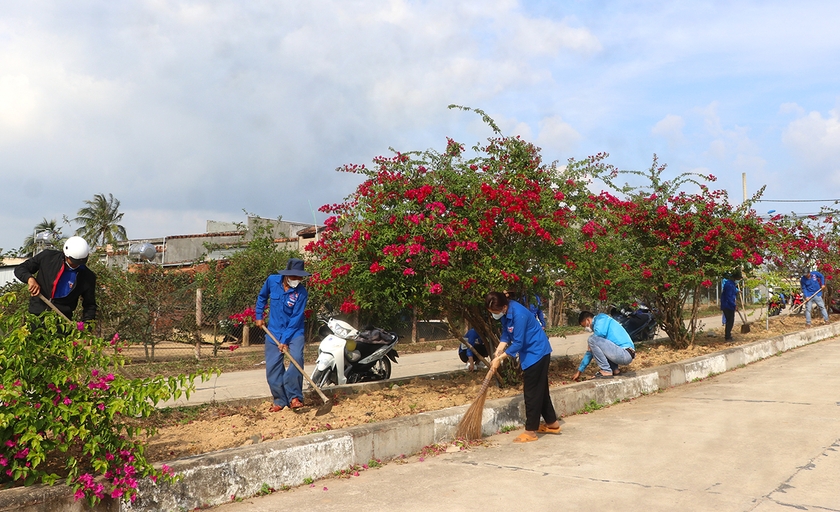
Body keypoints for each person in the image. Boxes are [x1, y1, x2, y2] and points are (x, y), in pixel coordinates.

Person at [486, 291, 561, 443]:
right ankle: (552, 424)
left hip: (537, 353)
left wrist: (500, 359)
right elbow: (507, 335)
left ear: (504, 306)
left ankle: (530, 431)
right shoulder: (507, 313)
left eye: (495, 312)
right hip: (531, 354)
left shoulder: (518, 313)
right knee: (541, 390)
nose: (495, 315)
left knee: (531, 393)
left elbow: (518, 342)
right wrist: (499, 350)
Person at [255, 258, 310, 412]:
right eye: (295, 277)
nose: (297, 280)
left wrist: (285, 340)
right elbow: (262, 297)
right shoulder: (272, 281)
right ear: (287, 275)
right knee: (273, 367)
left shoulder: (301, 293)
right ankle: (280, 400)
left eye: (300, 277)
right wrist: (259, 315)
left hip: (294, 332)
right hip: (273, 330)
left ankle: (294, 397)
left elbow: (296, 318)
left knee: (297, 359)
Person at [14, 236, 97, 323]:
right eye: (74, 262)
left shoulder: (88, 276)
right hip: (36, 316)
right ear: (66, 255)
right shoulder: (48, 257)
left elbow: (90, 305)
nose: (76, 265)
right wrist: (30, 279)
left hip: (62, 321)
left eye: (80, 262)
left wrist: (86, 326)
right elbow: (20, 269)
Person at [573, 310, 635, 380]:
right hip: (624, 353)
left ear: (588, 320)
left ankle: (606, 371)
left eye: (585, 326)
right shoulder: (601, 326)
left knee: (591, 339)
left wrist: (591, 342)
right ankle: (615, 370)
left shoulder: (601, 318)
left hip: (624, 353)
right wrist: (579, 371)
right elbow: (591, 352)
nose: (586, 328)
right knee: (594, 341)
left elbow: (599, 334)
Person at [721, 275, 738, 341]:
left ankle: (728, 335)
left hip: (728, 305)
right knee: (730, 321)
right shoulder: (730, 285)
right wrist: (734, 305)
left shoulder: (731, 284)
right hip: (728, 305)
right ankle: (727, 336)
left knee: (729, 321)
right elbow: (729, 297)